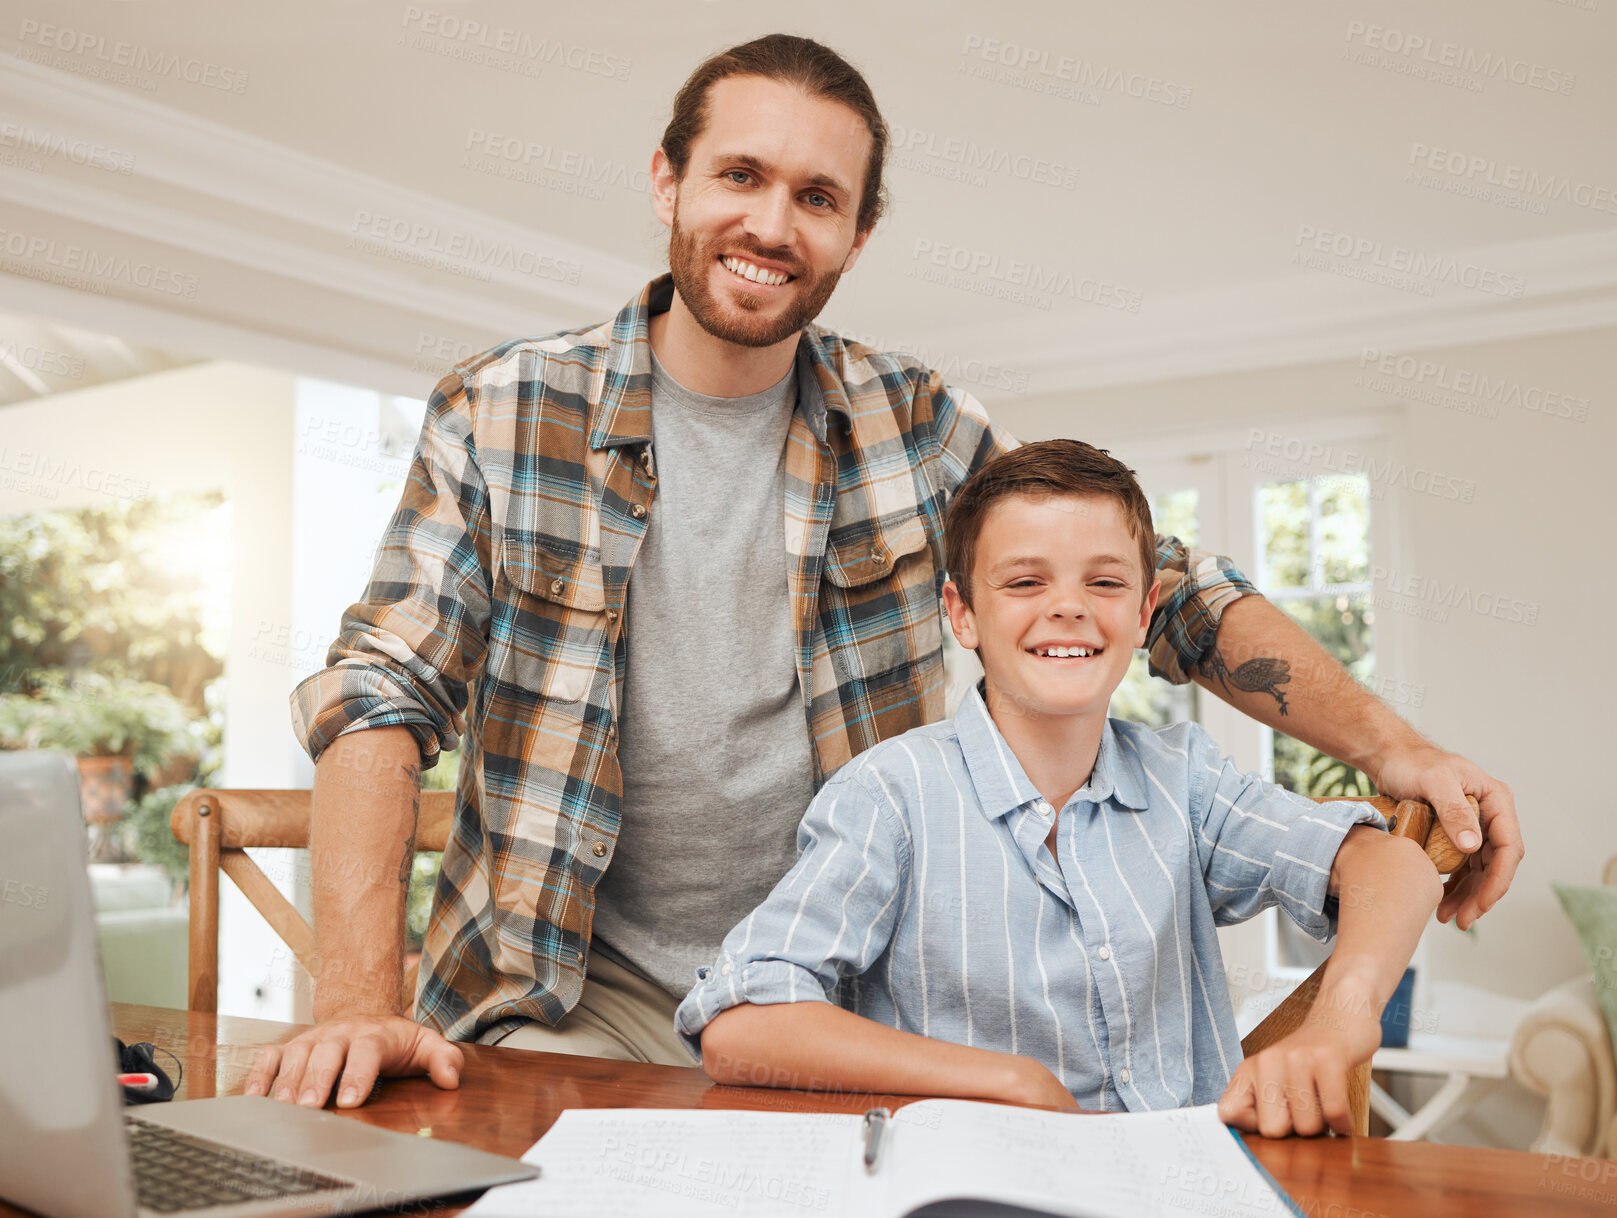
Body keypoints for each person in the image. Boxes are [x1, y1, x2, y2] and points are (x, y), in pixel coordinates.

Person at [247, 34, 1518, 1112]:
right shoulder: (504, 410)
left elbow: (1166, 588)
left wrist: (1395, 752)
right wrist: (357, 1004)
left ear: (858, 231)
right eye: (739, 175)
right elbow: (382, 691)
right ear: (666, 179)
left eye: (816, 195)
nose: (769, 223)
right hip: (560, 992)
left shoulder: (916, 424)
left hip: (841, 995)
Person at [677, 439, 1443, 1136]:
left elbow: (1388, 864)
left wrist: (1343, 1016)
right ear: (962, 613)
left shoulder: (1186, 779)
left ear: (1145, 613)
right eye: (1023, 580)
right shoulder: (891, 794)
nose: (1067, 604)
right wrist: (1006, 1079)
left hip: (1189, 1193)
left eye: (1104, 580)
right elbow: (741, 1022)